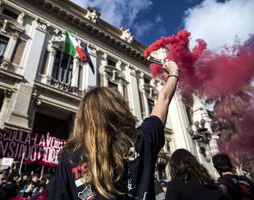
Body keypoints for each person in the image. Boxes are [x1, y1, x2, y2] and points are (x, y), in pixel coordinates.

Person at [48, 60, 179, 199]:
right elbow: (163, 99)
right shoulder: (141, 140)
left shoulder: (70, 157)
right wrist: (174, 73)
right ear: (119, 110)